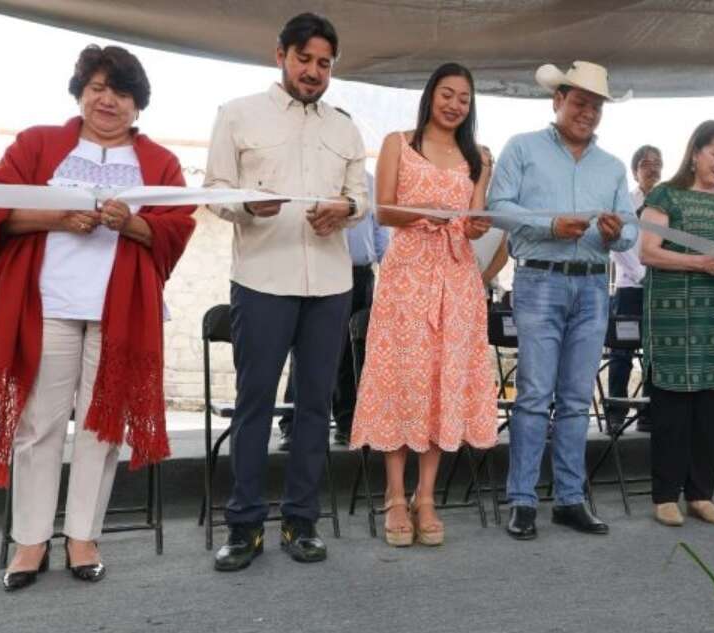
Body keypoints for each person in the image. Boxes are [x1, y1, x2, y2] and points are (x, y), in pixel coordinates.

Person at [0, 44, 195, 590]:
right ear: (80, 93)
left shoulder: (162, 162)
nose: (108, 100)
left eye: (122, 92)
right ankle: (30, 541)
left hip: (119, 312)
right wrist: (58, 217)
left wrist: (129, 222)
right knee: (39, 426)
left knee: (102, 428)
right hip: (47, 304)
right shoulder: (38, 144)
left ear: (138, 104)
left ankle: (83, 535)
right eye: (98, 88)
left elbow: (176, 230)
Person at [203, 13, 367, 571]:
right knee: (255, 404)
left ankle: (302, 521)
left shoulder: (345, 126)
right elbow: (214, 192)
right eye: (304, 59)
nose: (313, 71)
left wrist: (344, 211)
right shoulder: (238, 114)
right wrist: (249, 203)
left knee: (315, 407)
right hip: (262, 278)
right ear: (280, 55)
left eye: (324, 63)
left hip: (329, 282)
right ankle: (244, 526)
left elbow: (359, 198)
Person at [349, 62, 498, 547]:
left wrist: (474, 226)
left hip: (457, 280)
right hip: (407, 276)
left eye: (464, 98)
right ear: (431, 94)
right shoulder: (399, 142)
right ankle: (394, 496)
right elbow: (384, 209)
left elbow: (475, 220)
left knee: (442, 382)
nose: (456, 105)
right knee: (402, 379)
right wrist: (428, 213)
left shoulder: (478, 156)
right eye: (448, 94)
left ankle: (427, 496)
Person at [488, 60, 637, 540]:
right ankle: (524, 499)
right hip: (540, 280)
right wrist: (549, 225)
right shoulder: (522, 148)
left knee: (575, 399)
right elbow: (498, 208)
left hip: (594, 283)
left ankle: (570, 499)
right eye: (579, 103)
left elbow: (630, 230)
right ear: (558, 101)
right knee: (534, 395)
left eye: (595, 106)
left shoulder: (612, 167)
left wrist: (615, 234)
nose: (587, 113)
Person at [639, 120, 714, 527]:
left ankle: (701, 495)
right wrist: (699, 262)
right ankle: (665, 496)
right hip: (673, 318)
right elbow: (648, 252)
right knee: (672, 409)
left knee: (709, 410)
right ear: (695, 152)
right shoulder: (664, 195)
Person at [277, 170, 388, 451]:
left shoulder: (367, 180)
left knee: (355, 353)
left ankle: (349, 423)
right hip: (320, 268)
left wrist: (385, 261)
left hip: (361, 272)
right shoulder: (310, 173)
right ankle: (294, 425)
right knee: (309, 348)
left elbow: (378, 226)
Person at [606, 144, 662, 431]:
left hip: (662, 288)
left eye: (657, 163)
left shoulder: (668, 202)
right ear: (635, 169)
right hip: (631, 287)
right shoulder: (626, 201)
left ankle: (648, 415)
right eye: (645, 163)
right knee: (621, 351)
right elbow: (618, 244)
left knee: (656, 351)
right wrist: (641, 275)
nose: (652, 168)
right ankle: (615, 411)